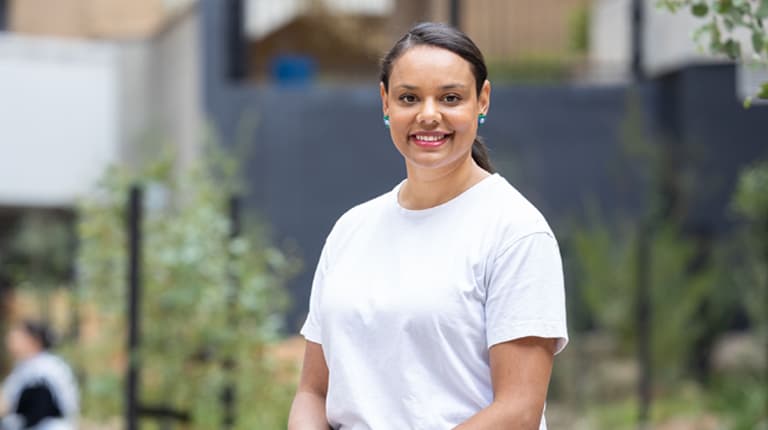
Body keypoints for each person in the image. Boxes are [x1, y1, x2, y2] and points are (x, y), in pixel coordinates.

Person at [288, 22, 568, 430]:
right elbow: (313, 392)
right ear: (386, 103)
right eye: (409, 98)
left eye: (450, 97)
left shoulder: (515, 232)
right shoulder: (352, 229)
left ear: (482, 100)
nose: (429, 115)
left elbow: (518, 411)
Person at [0, 320, 78, 430]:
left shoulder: (46, 369)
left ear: (34, 340)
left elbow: (37, 412)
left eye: (17, 336)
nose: (10, 340)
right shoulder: (25, 366)